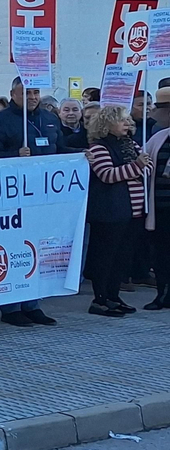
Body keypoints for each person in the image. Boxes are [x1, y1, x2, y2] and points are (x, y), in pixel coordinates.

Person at [0, 81, 62, 328]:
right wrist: (14, 156)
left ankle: (32, 304)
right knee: (13, 248)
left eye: (36, 92)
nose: (33, 96)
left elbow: (60, 148)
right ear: (12, 94)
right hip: (12, 199)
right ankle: (11, 306)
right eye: (26, 93)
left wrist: (82, 154)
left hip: (43, 197)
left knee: (36, 248)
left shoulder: (49, 118)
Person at [85, 105, 147, 316]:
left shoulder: (131, 144)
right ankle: (100, 299)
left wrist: (137, 167)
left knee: (122, 257)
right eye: (122, 120)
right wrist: (136, 167)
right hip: (110, 212)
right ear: (108, 123)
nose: (127, 124)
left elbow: (147, 166)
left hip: (134, 211)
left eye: (128, 120)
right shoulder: (98, 148)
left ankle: (113, 296)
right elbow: (107, 175)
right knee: (105, 257)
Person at [144, 112, 170, 309]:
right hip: (161, 208)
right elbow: (144, 165)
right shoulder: (159, 137)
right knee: (162, 254)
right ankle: (162, 294)